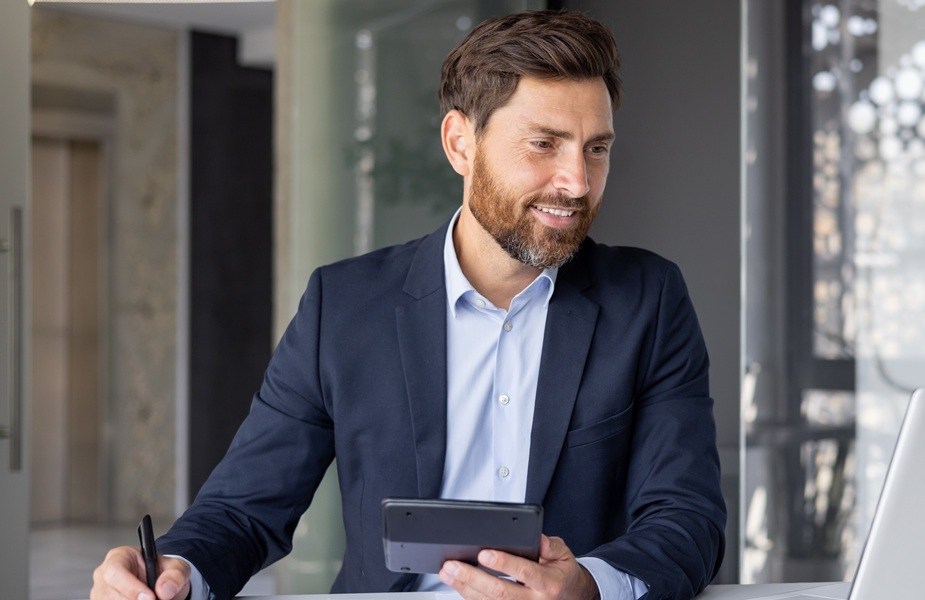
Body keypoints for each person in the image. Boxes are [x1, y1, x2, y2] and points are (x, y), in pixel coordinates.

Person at [91, 10, 726, 600]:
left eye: (597, 148)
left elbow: (688, 517)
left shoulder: (648, 300)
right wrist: (177, 571)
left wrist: (587, 584)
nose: (578, 183)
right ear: (460, 144)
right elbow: (244, 508)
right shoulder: (342, 307)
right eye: (545, 144)